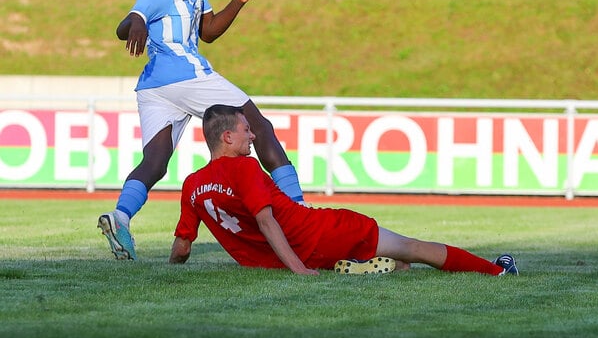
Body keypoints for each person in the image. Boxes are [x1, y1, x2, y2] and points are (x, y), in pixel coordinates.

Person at [98, 0, 305, 261]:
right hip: (185, 75)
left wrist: (237, 1)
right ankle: (299, 210)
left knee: (156, 161)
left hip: (155, 87)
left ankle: (120, 217)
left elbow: (207, 31)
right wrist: (135, 20)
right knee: (260, 128)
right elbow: (129, 21)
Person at [169, 104, 519, 277]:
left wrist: (170, 271)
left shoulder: (192, 185)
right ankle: (498, 271)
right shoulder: (244, 167)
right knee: (412, 247)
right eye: (246, 130)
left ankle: (372, 264)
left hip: (278, 259)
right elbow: (266, 221)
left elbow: (183, 245)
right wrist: (299, 270)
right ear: (227, 137)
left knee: (401, 260)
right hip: (320, 235)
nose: (253, 136)